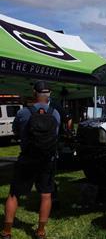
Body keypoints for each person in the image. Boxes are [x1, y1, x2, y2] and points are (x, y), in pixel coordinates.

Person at [1, 81, 60, 239]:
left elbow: (15, 130)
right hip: (47, 160)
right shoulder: (55, 113)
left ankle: (6, 232)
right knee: (46, 195)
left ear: (34, 93)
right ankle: (40, 232)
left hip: (27, 159)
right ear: (49, 95)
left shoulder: (23, 113)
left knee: (14, 194)